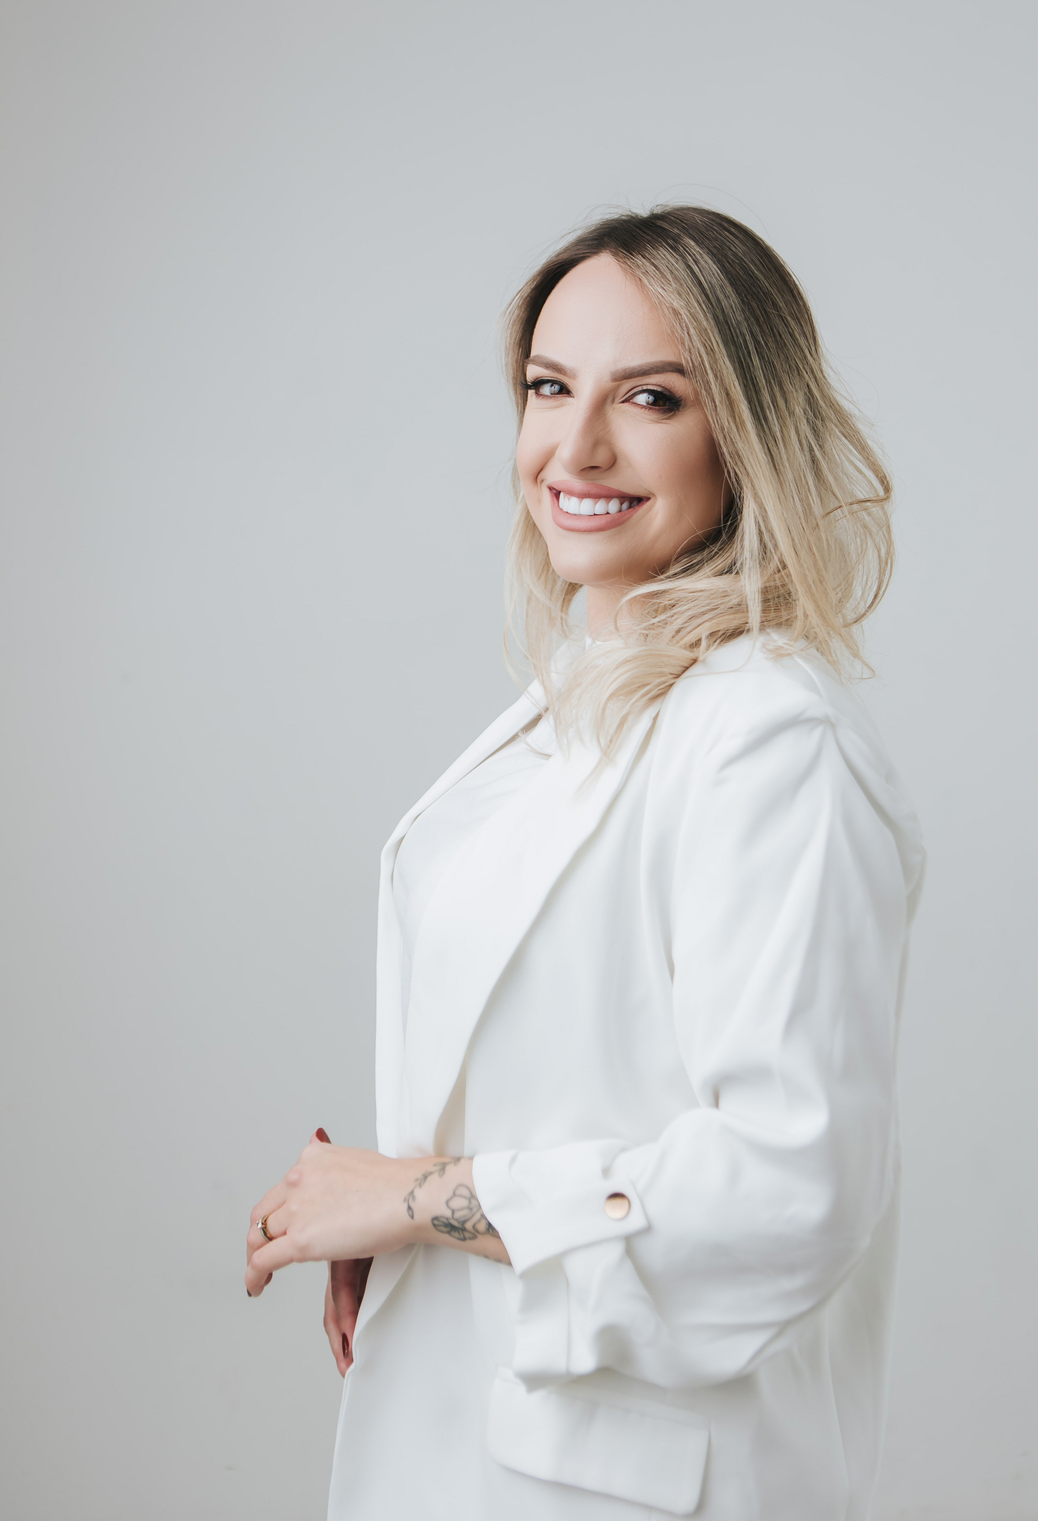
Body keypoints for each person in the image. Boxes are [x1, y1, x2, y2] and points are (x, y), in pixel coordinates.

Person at [245, 206, 925, 1520]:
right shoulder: (587, 700)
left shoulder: (770, 743)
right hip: (485, 1438)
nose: (577, 447)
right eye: (550, 387)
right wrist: (412, 1228)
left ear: (745, 432)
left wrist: (418, 1200)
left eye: (651, 398)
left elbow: (792, 1187)